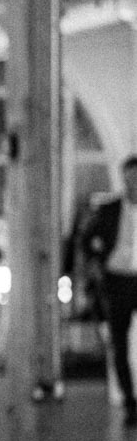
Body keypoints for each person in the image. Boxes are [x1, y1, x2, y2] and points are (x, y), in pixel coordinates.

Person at [82, 155, 137, 426]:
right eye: (130, 178)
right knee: (119, 342)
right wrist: (95, 265)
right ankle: (130, 402)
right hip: (118, 281)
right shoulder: (109, 209)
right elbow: (84, 240)